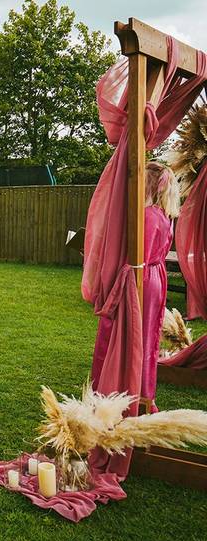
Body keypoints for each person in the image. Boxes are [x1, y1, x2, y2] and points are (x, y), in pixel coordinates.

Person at [93, 162, 179, 409]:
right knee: (145, 336)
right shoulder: (162, 214)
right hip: (154, 278)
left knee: (128, 337)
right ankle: (140, 392)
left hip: (139, 281)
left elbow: (136, 255)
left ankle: (122, 394)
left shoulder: (148, 216)